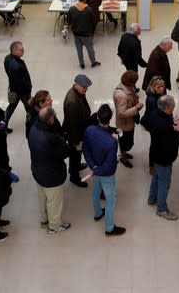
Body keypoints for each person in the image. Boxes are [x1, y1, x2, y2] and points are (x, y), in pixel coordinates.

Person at [83, 104, 126, 236]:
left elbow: (86, 150)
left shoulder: (89, 130)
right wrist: (97, 170)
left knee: (95, 191)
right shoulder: (112, 142)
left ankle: (97, 213)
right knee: (110, 200)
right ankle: (109, 228)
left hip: (95, 168)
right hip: (106, 174)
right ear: (110, 118)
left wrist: (93, 167)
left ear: (97, 117)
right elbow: (109, 165)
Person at [28, 106, 71, 233]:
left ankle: (44, 220)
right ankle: (54, 226)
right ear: (50, 119)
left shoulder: (33, 129)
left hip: (37, 170)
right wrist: (66, 143)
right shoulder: (51, 137)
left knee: (42, 198)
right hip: (52, 175)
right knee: (54, 201)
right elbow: (64, 153)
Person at [141, 94, 179, 220]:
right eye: (173, 105)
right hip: (164, 157)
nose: (175, 106)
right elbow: (170, 143)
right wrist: (178, 132)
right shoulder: (163, 126)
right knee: (165, 183)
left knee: (156, 178)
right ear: (168, 108)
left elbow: (163, 127)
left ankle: (152, 198)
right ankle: (162, 209)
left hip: (155, 152)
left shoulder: (155, 113)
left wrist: (172, 121)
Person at [63, 74, 93, 187]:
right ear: (76, 84)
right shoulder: (72, 102)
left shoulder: (77, 92)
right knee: (75, 154)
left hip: (78, 132)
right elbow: (73, 125)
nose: (86, 89)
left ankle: (74, 167)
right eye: (84, 87)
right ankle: (74, 177)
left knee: (76, 154)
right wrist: (76, 141)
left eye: (86, 87)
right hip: (76, 136)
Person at [113, 71, 143, 169]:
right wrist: (136, 109)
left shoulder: (126, 87)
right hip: (124, 126)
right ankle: (123, 158)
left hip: (128, 123)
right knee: (124, 143)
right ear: (130, 83)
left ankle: (124, 153)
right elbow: (121, 113)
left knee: (128, 142)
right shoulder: (121, 96)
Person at [4, 41, 32, 131]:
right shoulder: (17, 66)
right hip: (23, 92)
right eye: (21, 49)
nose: (23, 50)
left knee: (10, 107)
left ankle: (2, 126)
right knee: (29, 108)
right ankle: (31, 126)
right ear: (15, 50)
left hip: (11, 89)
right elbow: (21, 82)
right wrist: (28, 88)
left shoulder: (7, 58)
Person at [67, 0, 100, 69]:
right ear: (85, 0)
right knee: (90, 49)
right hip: (87, 34)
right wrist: (92, 31)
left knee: (79, 49)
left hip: (76, 33)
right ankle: (93, 63)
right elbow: (94, 22)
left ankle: (82, 64)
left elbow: (69, 21)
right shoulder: (89, 9)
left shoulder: (72, 9)